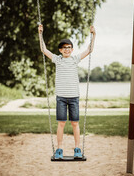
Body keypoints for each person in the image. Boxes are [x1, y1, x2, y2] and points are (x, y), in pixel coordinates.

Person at [38, 24, 96, 159]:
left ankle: (77, 149)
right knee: (61, 123)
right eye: (64, 48)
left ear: (72, 49)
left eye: (69, 47)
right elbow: (43, 49)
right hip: (61, 97)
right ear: (60, 50)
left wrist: (94, 34)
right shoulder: (57, 60)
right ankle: (59, 150)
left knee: (75, 123)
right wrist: (40, 33)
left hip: (74, 96)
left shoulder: (75, 59)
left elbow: (90, 49)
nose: (67, 50)